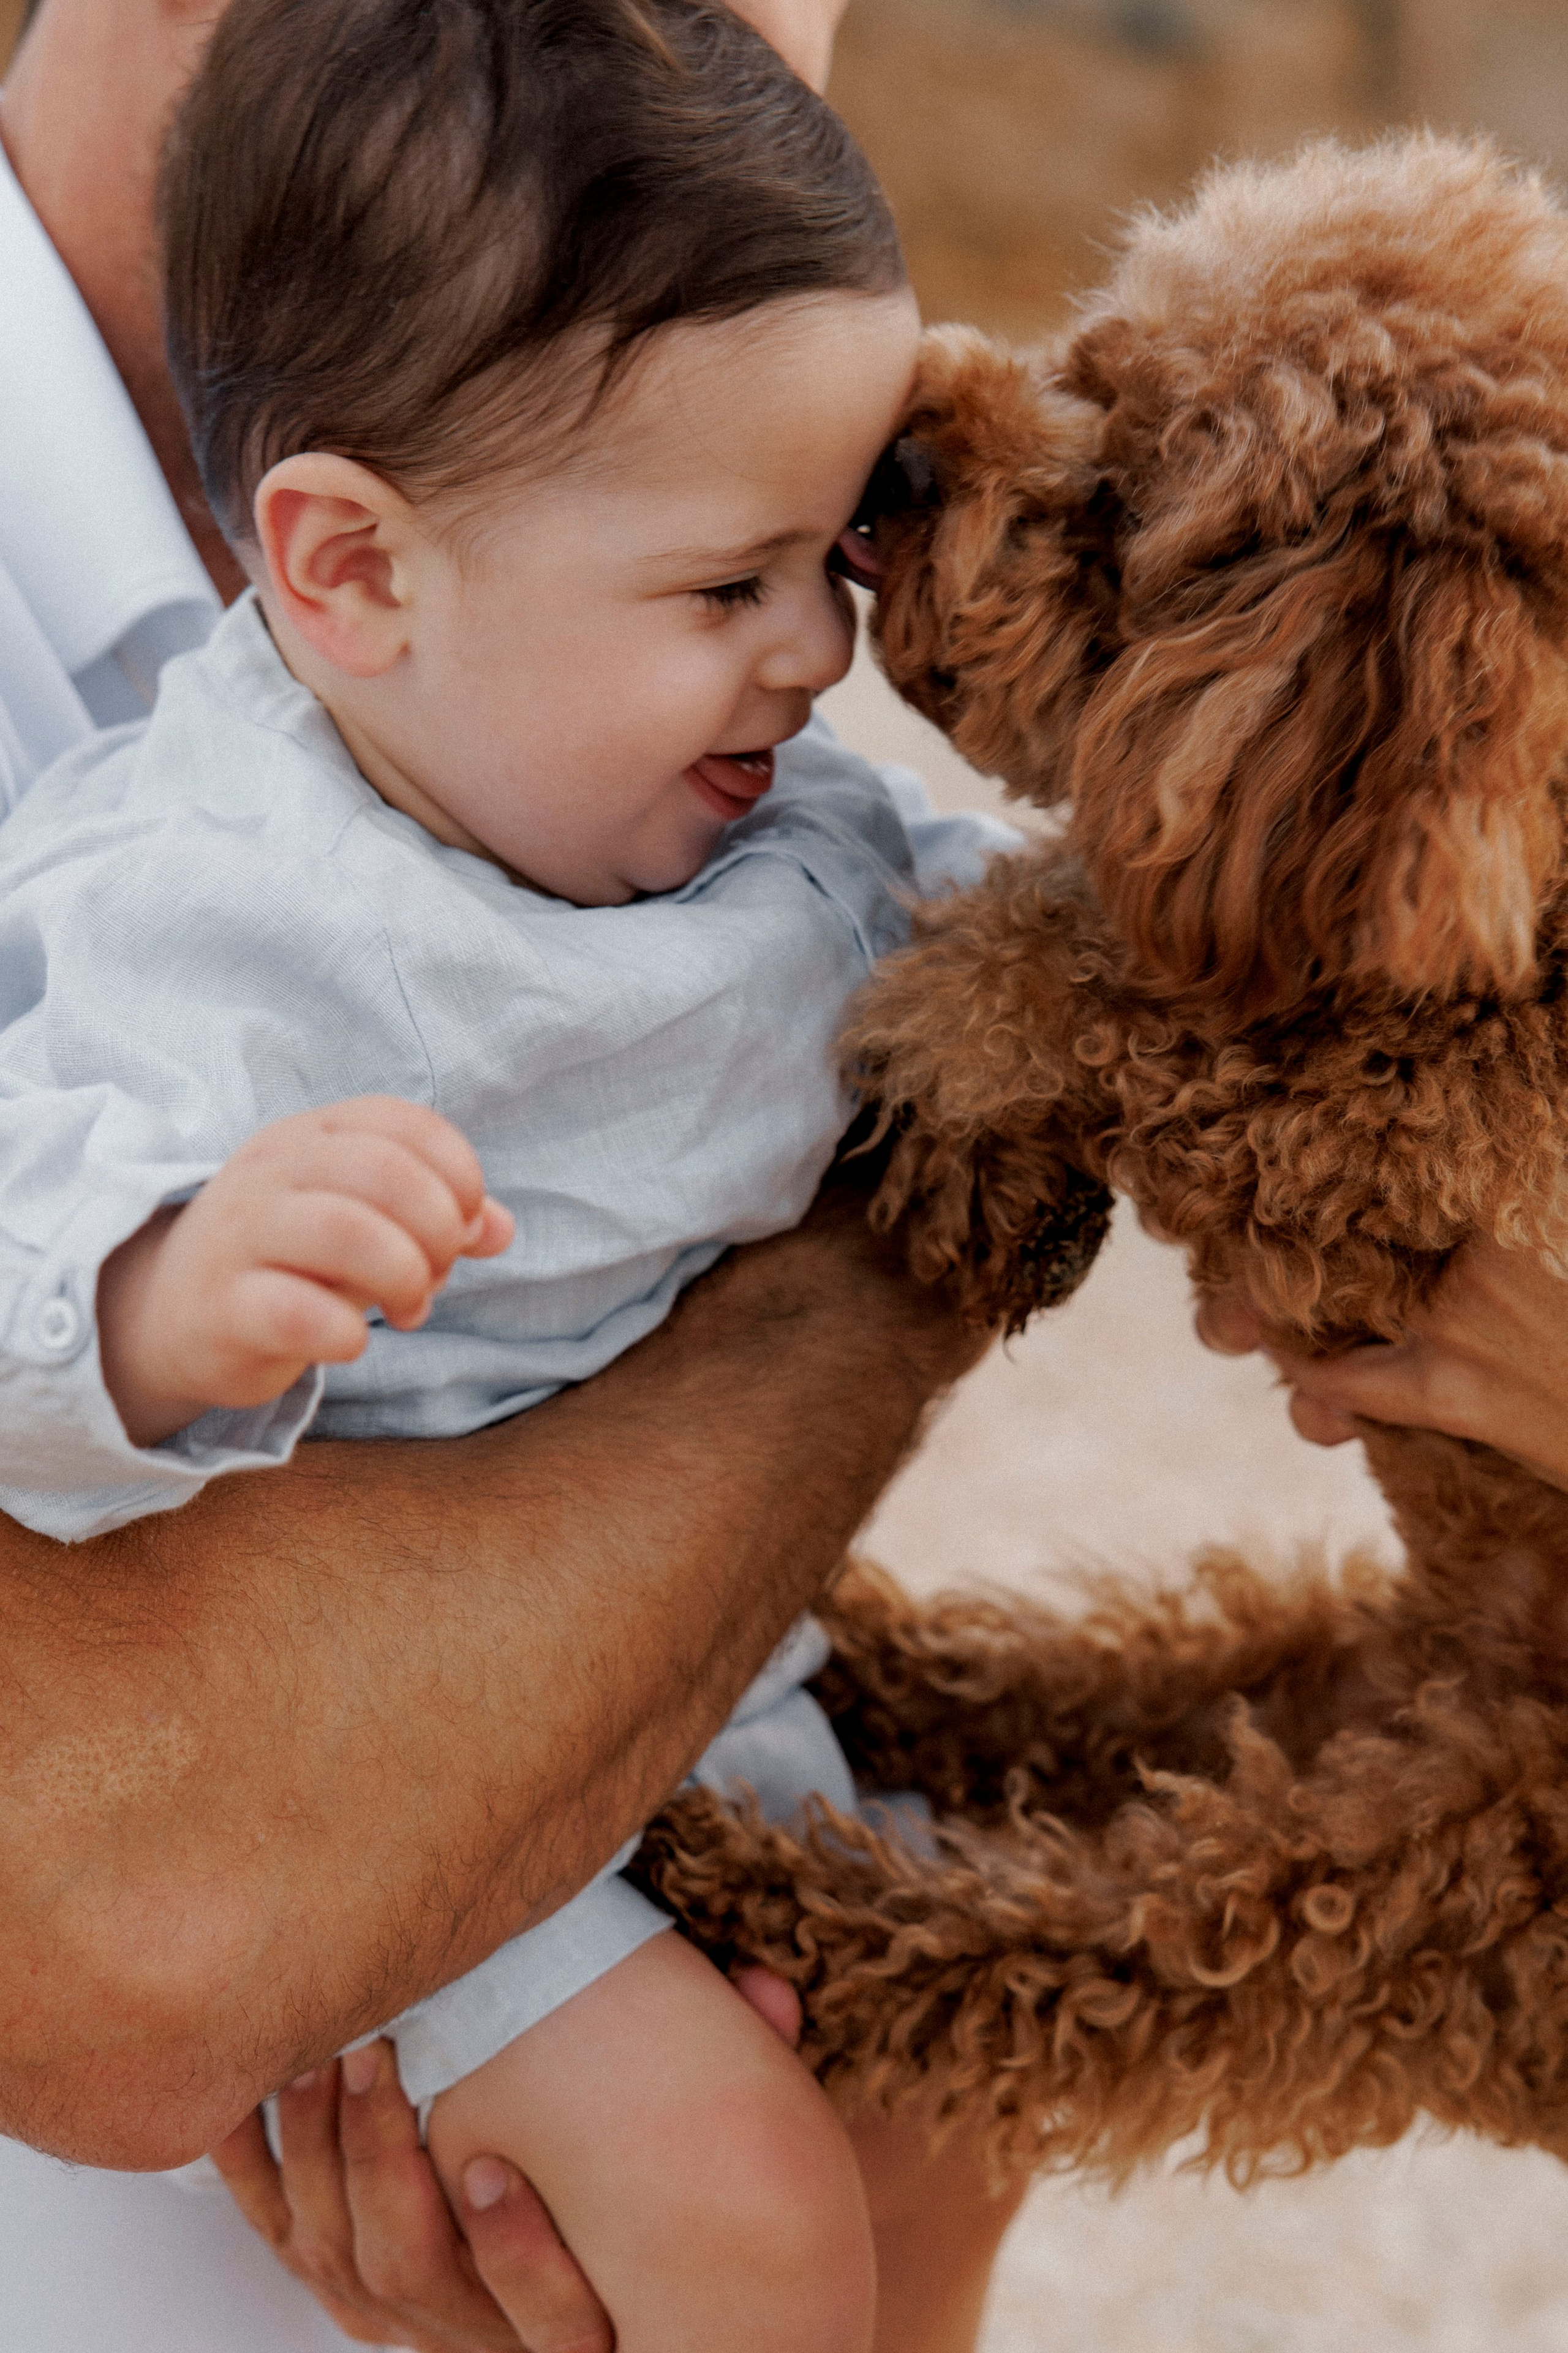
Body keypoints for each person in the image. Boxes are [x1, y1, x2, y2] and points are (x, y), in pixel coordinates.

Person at [0, 1, 1032, 2349]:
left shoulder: (677, 739)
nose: (812, 656)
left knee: (953, 2095)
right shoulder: (227, 891)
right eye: (730, 591)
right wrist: (167, 1292)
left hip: (697, 1689)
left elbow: (981, 948)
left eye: (827, 566)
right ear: (353, 577)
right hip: (410, 1779)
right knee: (741, 2216)